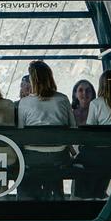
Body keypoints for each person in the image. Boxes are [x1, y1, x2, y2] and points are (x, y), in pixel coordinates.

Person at [16, 61, 74, 200]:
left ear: (33, 80)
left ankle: (27, 201)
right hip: (59, 157)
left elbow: (20, 134)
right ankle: (55, 197)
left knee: (23, 167)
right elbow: (73, 129)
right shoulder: (62, 99)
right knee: (53, 168)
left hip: (32, 158)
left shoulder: (24, 103)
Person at [74, 69, 111, 199]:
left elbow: (89, 132)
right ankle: (98, 192)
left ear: (101, 85)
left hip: (103, 155)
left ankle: (83, 195)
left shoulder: (96, 104)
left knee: (84, 154)